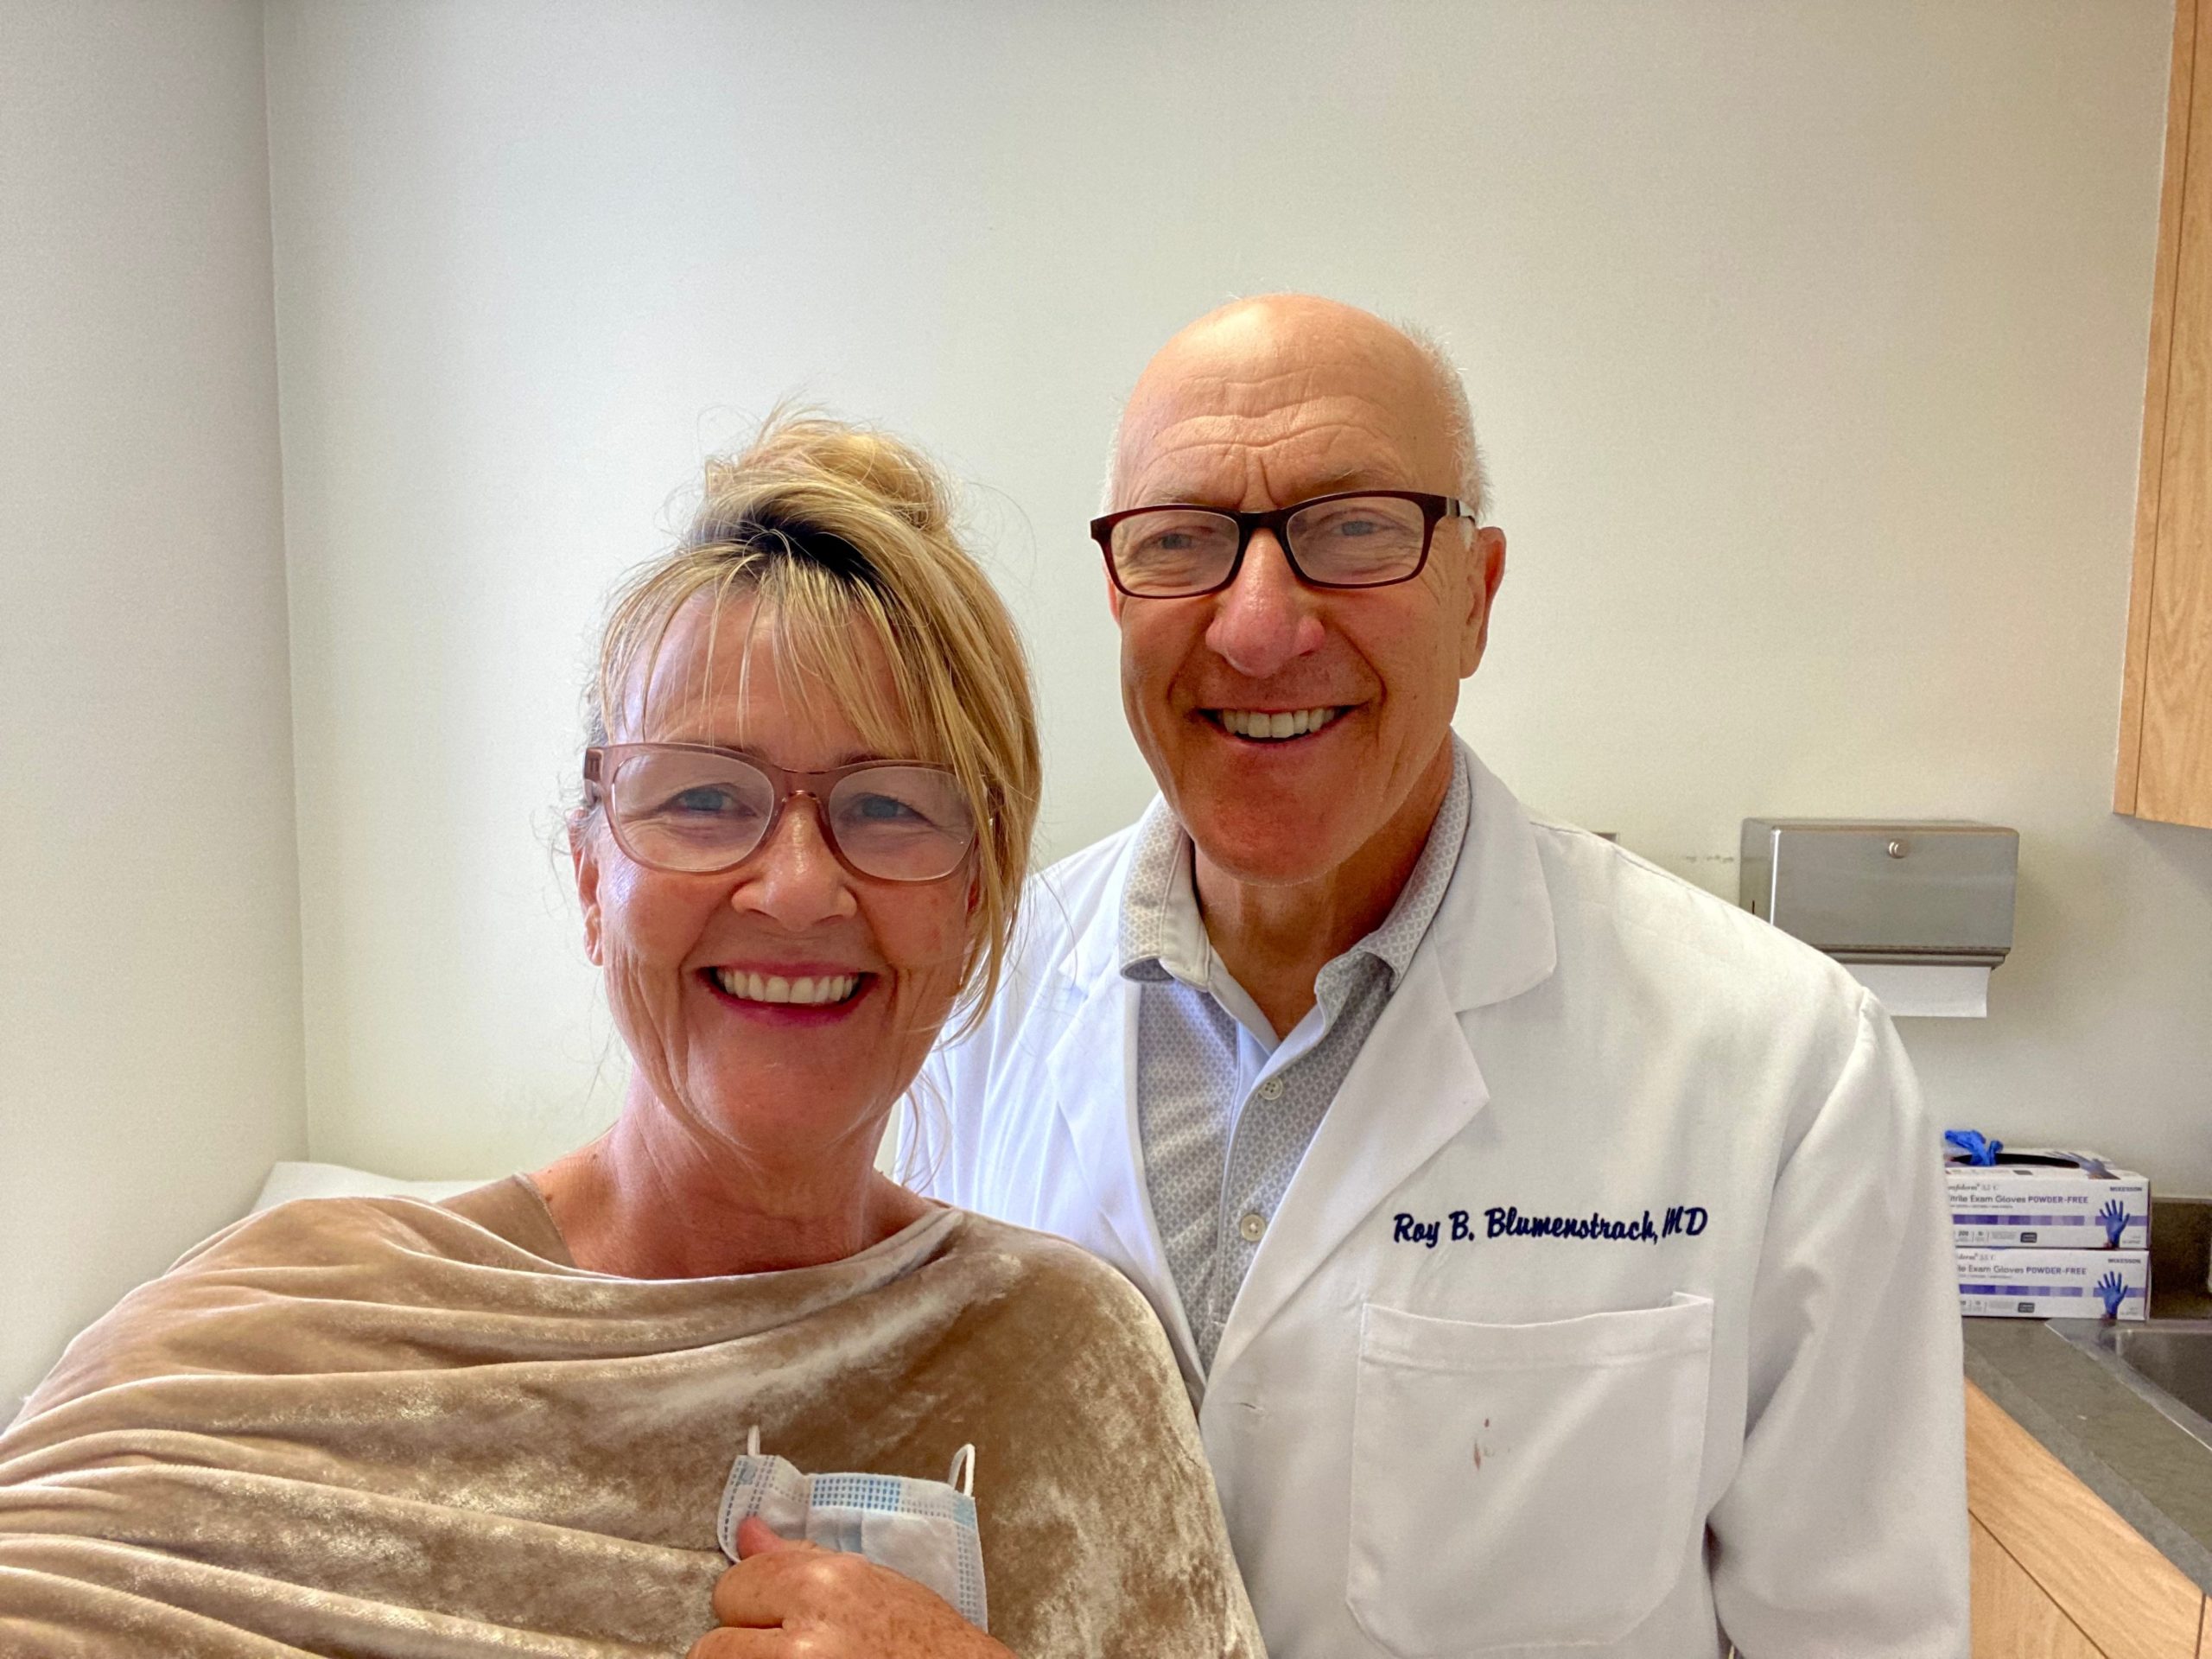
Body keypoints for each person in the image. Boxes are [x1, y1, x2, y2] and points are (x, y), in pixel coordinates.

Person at [0, 415, 1263, 1659]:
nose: (797, 889)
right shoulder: (282, 1339)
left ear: (977, 898)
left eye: (888, 807)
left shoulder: (1062, 1361)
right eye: (705, 796)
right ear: (592, 877)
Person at [914, 295, 1969, 1656]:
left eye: (1355, 529)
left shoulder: (1787, 1069)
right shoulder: (958, 1005)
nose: (1257, 627)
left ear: (1477, 596)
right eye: (1181, 541)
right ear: (1118, 597)